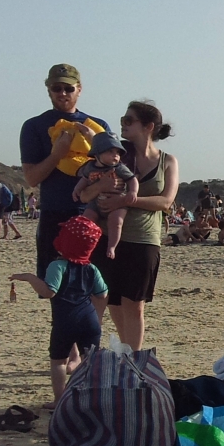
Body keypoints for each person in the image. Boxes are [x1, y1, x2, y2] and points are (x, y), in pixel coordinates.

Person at [91, 101, 179, 352]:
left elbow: (165, 201)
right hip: (108, 236)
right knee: (112, 300)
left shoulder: (167, 161)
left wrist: (127, 200)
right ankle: (125, 351)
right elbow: (91, 178)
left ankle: (133, 357)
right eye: (123, 119)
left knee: (135, 304)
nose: (123, 124)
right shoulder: (115, 154)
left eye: (129, 120)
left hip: (143, 239)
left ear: (148, 127)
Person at [20, 64, 113, 275]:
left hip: (94, 214)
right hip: (55, 214)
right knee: (54, 284)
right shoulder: (34, 126)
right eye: (56, 88)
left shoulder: (98, 126)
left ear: (79, 89)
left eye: (68, 88)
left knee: (94, 286)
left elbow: (115, 173)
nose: (62, 93)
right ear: (48, 89)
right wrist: (56, 155)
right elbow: (32, 178)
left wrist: (96, 143)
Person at [8, 216, 107, 406]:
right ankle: (89, 398)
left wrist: (29, 277)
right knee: (89, 361)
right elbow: (102, 294)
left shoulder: (58, 266)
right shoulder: (92, 269)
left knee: (59, 361)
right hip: (90, 319)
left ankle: (60, 400)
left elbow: (48, 292)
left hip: (65, 320)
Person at [72, 132, 137, 259]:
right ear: (97, 154)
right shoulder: (90, 167)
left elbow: (132, 179)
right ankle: (84, 244)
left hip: (116, 201)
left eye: (118, 152)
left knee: (116, 222)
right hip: (95, 202)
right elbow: (84, 179)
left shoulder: (119, 168)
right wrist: (77, 189)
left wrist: (132, 192)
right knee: (86, 220)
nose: (115, 155)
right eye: (110, 151)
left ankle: (111, 247)